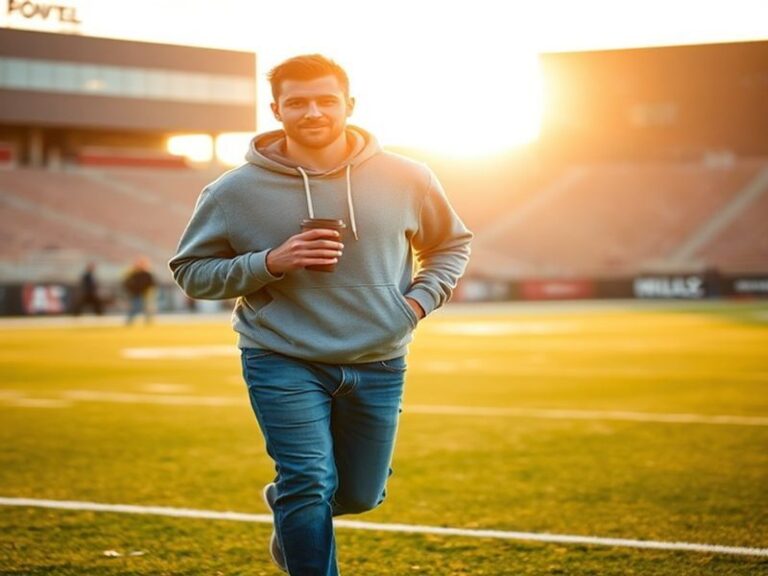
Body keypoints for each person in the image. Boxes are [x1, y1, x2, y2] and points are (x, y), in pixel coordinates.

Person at [169, 54, 472, 575]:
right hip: (281, 357)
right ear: (276, 109)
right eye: (297, 102)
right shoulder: (231, 191)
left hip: (379, 358)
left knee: (358, 494)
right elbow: (191, 272)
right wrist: (269, 262)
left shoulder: (408, 176)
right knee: (308, 481)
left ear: (349, 105)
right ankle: (298, 506)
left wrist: (417, 304)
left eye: (326, 100)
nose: (313, 112)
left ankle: (288, 504)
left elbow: (451, 246)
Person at [123, 257, 156, 324]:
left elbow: (152, 284)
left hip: (145, 294)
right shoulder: (132, 274)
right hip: (135, 294)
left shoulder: (147, 274)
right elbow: (126, 283)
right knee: (135, 308)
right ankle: (129, 321)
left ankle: (148, 322)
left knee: (147, 309)